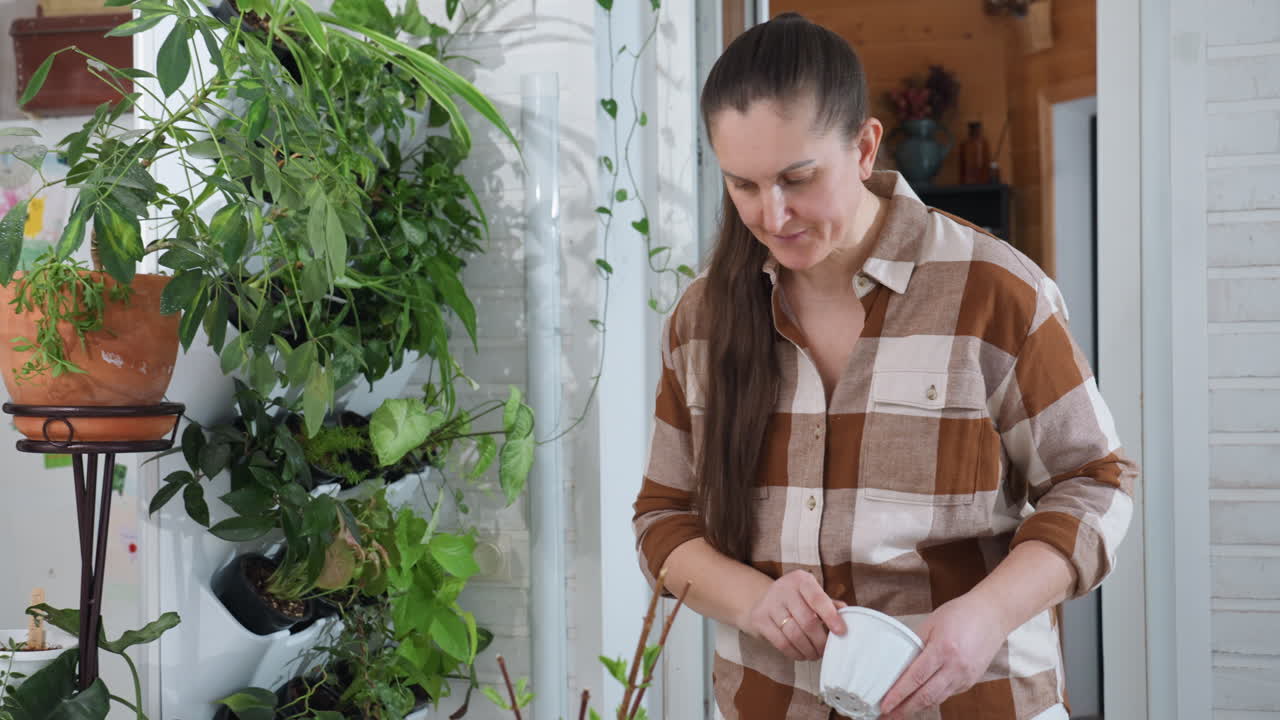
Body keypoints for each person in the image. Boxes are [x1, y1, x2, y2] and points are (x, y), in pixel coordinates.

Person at [632, 13, 1136, 720]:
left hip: (976, 703)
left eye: (798, 179)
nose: (773, 216)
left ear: (865, 147)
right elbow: (663, 518)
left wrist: (987, 614)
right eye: (742, 185)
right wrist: (754, 601)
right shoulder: (701, 319)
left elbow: (1095, 484)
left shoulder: (994, 291)